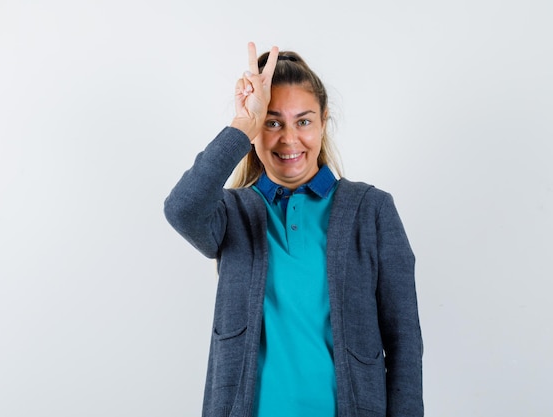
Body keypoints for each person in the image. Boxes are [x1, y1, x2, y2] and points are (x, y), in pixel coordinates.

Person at [164, 42, 423, 417]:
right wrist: (241, 126)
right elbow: (181, 208)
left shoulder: (372, 210)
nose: (289, 139)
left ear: (323, 121)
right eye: (272, 122)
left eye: (303, 121)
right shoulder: (231, 212)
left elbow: (404, 344)